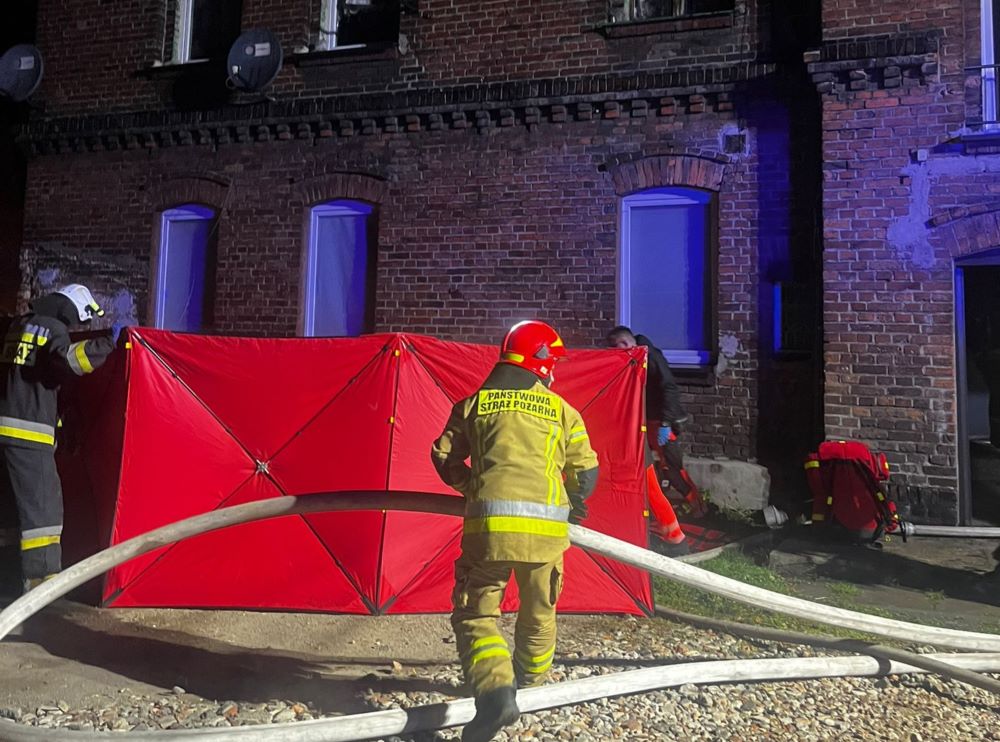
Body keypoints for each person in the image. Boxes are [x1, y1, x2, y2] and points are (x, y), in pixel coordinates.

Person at [431, 320, 599, 742]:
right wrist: (575, 506)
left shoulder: (473, 404)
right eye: (552, 362)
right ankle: (530, 686)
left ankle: (496, 693)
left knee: (477, 614)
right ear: (540, 362)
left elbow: (443, 456)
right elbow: (587, 470)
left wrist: (469, 487)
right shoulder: (563, 410)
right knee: (539, 611)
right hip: (546, 537)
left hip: (489, 533)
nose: (554, 371)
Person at [0, 284, 114, 595]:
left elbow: (32, 377)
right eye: (79, 318)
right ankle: (42, 584)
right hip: (29, 434)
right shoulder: (53, 329)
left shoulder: (18, 325)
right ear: (69, 309)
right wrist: (108, 344)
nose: (79, 326)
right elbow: (70, 361)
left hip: (5, 429)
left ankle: (8, 577)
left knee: (11, 508)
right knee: (43, 509)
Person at [605, 326, 706, 522]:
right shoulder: (636, 357)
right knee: (656, 467)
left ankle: (698, 507)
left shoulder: (651, 357)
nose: (619, 353)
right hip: (649, 420)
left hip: (662, 421)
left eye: (618, 348)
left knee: (672, 467)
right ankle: (660, 507)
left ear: (626, 343)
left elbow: (668, 387)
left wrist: (666, 423)